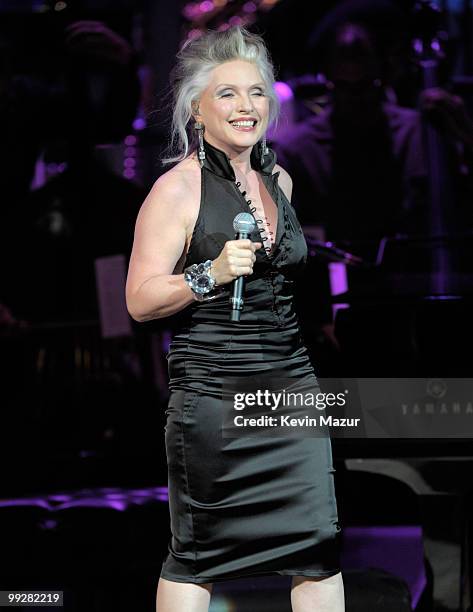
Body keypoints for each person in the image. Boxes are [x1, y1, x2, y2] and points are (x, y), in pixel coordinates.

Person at [125, 27, 344, 612]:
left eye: (257, 93)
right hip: (215, 397)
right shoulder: (176, 190)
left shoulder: (281, 181)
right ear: (197, 110)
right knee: (199, 557)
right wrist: (209, 274)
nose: (246, 107)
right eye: (227, 94)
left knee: (317, 546)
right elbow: (140, 299)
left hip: (291, 391)